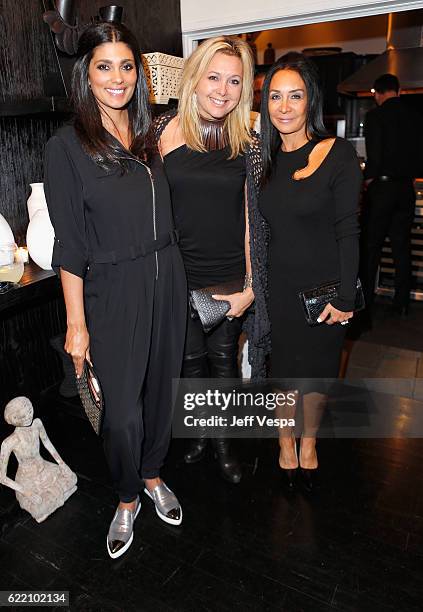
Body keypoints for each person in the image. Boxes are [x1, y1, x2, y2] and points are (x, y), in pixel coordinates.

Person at [44, 22, 187, 558]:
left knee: (160, 394)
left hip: (167, 276)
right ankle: (126, 496)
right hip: (113, 287)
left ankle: (153, 475)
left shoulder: (152, 136)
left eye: (126, 65)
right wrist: (76, 326)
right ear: (86, 74)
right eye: (104, 66)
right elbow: (70, 245)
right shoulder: (68, 146)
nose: (118, 77)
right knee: (121, 410)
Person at [154, 36, 269, 484]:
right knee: (188, 365)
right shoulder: (162, 130)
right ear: (195, 79)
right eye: (214, 77)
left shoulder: (250, 144)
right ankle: (201, 436)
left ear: (245, 89)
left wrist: (250, 287)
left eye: (234, 81)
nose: (223, 89)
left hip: (226, 277)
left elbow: (251, 224)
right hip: (176, 276)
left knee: (222, 366)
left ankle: (222, 445)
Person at [258, 52, 362, 488]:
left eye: (294, 96)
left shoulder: (337, 154)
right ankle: (285, 440)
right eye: (276, 96)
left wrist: (343, 298)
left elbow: (349, 231)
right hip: (279, 289)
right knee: (283, 372)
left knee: (318, 373)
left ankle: (310, 441)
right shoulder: (261, 161)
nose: (284, 106)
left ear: (310, 101)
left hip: (324, 291)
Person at [362, 73, 423, 319]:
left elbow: (374, 156)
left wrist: (368, 180)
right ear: (399, 91)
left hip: (382, 188)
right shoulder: (416, 117)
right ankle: (401, 302)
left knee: (371, 247)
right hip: (407, 189)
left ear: (377, 93)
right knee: (401, 246)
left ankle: (364, 302)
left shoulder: (375, 117)